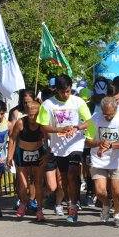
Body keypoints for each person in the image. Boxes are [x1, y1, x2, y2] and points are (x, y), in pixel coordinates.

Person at [36, 74, 92, 224]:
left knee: (73, 173)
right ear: (57, 90)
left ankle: (73, 206)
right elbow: (44, 125)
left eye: (68, 91)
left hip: (75, 142)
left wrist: (77, 127)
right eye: (62, 92)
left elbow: (89, 121)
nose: (65, 94)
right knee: (65, 180)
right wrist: (59, 129)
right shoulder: (48, 104)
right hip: (58, 146)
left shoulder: (78, 102)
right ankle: (70, 200)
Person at [88, 94, 119, 226]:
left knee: (117, 191)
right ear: (101, 110)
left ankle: (117, 213)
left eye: (111, 115)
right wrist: (98, 143)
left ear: (116, 109)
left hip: (116, 160)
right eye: (105, 114)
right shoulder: (94, 119)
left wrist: (112, 145)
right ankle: (106, 205)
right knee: (100, 191)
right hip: (98, 159)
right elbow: (87, 141)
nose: (108, 117)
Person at [9, 96, 47, 220]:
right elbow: (12, 138)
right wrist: (10, 155)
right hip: (22, 154)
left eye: (34, 115)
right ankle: (24, 203)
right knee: (23, 184)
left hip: (38, 154)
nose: (32, 118)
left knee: (38, 183)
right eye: (29, 115)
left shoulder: (42, 124)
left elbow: (49, 140)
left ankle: (40, 210)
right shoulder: (20, 122)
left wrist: (46, 155)